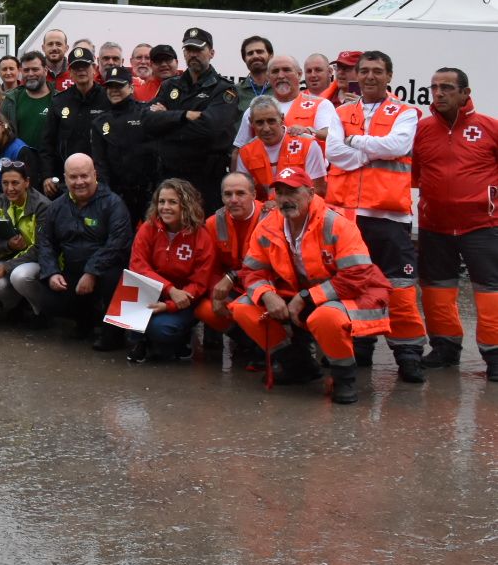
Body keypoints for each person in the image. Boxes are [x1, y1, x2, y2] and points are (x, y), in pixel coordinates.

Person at [230, 166, 391, 403]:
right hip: (299, 295)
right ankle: (298, 366)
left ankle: (344, 378)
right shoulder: (268, 225)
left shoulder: (336, 223)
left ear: (311, 192)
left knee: (325, 317)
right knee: (244, 308)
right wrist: (266, 294)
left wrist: (306, 297)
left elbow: (357, 275)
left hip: (353, 294)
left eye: (293, 192)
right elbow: (252, 271)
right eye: (280, 193)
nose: (285, 199)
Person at [325, 50, 427, 381]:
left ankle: (409, 354)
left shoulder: (407, 112)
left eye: (377, 71)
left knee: (399, 289)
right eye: (364, 70)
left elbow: (397, 145)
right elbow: (333, 152)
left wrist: (355, 141)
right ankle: (361, 345)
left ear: (389, 76)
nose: (370, 76)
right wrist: (367, 152)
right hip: (348, 217)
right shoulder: (341, 110)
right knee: (356, 286)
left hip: (390, 217)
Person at [415, 67, 498, 379]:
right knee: (437, 288)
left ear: (465, 93)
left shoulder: (490, 127)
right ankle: (445, 348)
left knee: (490, 291)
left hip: (482, 225)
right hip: (434, 224)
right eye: (435, 87)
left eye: (447, 87)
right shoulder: (422, 129)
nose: (439, 93)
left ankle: (495, 354)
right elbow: (414, 173)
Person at [10, 153, 133, 346]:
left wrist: (92, 271)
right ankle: (84, 321)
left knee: (112, 277)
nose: (79, 182)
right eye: (73, 177)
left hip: (105, 271)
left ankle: (113, 334)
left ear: (95, 174)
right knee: (48, 297)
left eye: (84, 176)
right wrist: (51, 273)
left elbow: (118, 243)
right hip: (72, 269)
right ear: (65, 178)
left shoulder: (113, 203)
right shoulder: (57, 207)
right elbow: (46, 242)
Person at [143, 27, 238, 213]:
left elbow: (210, 128)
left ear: (211, 53)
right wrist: (183, 115)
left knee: (204, 235)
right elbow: (147, 121)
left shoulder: (225, 89)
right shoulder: (170, 85)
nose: (192, 54)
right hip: (170, 177)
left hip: (206, 180)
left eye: (198, 49)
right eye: (188, 50)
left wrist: (167, 121)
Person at [124, 179, 217, 363]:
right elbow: (138, 265)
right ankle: (138, 341)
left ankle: (179, 340)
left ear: (186, 205)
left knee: (161, 330)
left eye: (172, 202)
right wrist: (169, 289)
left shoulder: (202, 237)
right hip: (153, 292)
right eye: (161, 201)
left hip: (185, 299)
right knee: (127, 305)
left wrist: (171, 304)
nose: (165, 207)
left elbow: (200, 283)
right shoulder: (148, 228)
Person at [203, 172, 274, 339]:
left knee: (247, 308)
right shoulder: (213, 223)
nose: (233, 199)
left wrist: (232, 276)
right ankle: (245, 342)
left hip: (265, 287)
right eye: (228, 194)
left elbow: (275, 268)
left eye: (240, 193)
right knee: (204, 308)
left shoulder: (271, 219)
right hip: (234, 288)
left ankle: (265, 343)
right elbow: (210, 268)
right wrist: (216, 294)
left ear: (254, 195)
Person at [0, 160, 51, 313]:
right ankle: (17, 307)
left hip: (38, 260)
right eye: (5, 183)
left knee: (20, 276)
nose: (9, 188)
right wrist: (8, 245)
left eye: (15, 183)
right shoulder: (0, 201)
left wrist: (7, 266)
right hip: (11, 256)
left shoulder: (42, 206)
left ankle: (42, 312)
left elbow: (43, 248)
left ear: (27, 182)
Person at [233, 54, 342, 153]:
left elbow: (332, 135)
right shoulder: (255, 110)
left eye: (286, 70)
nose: (281, 75)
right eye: (275, 71)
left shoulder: (321, 104)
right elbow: (240, 150)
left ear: (299, 75)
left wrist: (308, 130)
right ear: (268, 77)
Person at [41, 45, 111, 196]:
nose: (81, 71)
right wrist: (47, 175)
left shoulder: (108, 99)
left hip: (102, 179)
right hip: (67, 180)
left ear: (94, 68)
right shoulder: (59, 101)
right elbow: (48, 143)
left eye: (85, 66)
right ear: (70, 73)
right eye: (76, 68)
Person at [90, 66, 157, 224]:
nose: (114, 90)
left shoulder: (147, 113)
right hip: (117, 195)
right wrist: (108, 195)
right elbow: (100, 163)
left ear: (131, 87)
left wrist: (155, 190)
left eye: (119, 86)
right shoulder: (100, 122)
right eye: (110, 87)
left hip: (148, 194)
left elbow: (157, 155)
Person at [236, 96, 327, 199]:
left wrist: (279, 205)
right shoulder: (246, 152)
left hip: (300, 209)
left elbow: (318, 190)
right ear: (251, 122)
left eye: (271, 121)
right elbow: (243, 194)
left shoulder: (307, 144)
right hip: (263, 211)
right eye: (259, 123)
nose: (266, 128)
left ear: (282, 118)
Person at [0, 51, 53, 151]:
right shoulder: (10, 100)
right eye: (26, 70)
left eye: (35, 69)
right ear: (21, 72)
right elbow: (1, 134)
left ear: (45, 70)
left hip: (50, 163)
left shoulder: (58, 99)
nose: (30, 74)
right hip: (18, 162)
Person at [237, 35, 275, 110]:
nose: (255, 56)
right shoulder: (236, 92)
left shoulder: (279, 89)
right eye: (250, 53)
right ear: (244, 59)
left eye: (260, 52)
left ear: (271, 55)